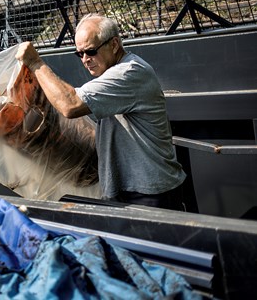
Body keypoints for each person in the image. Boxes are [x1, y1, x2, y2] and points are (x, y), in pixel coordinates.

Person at [15, 13, 186, 210]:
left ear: (114, 44)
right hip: (128, 191)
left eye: (91, 51)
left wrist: (36, 63)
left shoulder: (129, 73)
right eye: (80, 54)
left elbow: (70, 104)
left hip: (150, 194)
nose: (85, 60)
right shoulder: (111, 73)